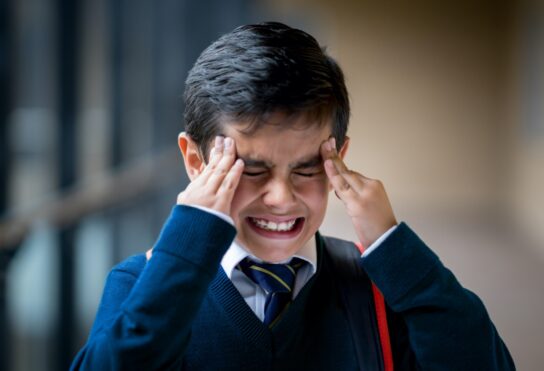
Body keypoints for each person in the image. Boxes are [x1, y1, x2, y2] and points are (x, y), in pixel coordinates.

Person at [70, 22, 515, 370]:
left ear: (339, 157)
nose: (281, 198)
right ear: (195, 162)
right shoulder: (142, 284)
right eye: (252, 170)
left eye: (306, 169)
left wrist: (395, 251)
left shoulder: (378, 288)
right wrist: (188, 239)